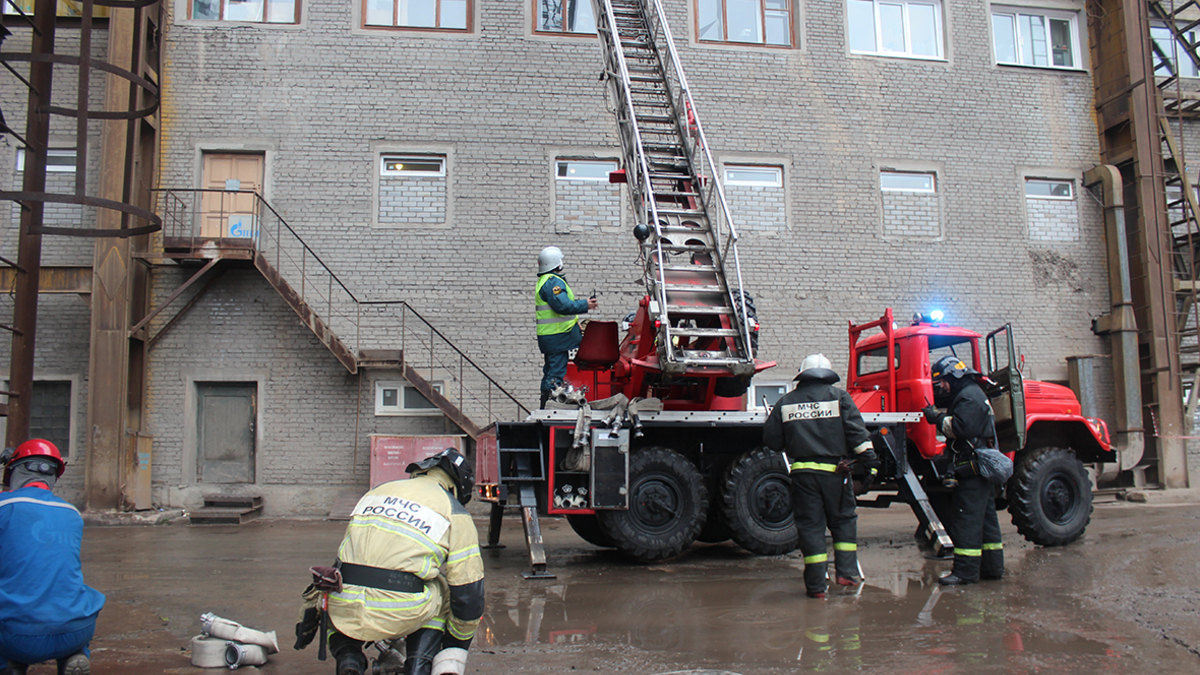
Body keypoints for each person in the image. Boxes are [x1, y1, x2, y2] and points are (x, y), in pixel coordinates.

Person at [324, 448, 484, 675]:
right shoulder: (453, 510)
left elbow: (340, 561)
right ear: (457, 486)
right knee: (442, 590)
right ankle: (418, 665)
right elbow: (469, 592)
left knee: (331, 590)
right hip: (401, 607)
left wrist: (311, 610)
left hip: (344, 604)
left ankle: (349, 658)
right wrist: (456, 646)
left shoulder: (377, 492)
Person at [764, 354, 880, 599]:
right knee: (843, 521)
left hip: (803, 475)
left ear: (802, 373)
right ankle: (847, 573)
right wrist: (870, 465)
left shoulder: (786, 401)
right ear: (828, 374)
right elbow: (858, 436)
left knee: (811, 527)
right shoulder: (840, 398)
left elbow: (773, 442)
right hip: (836, 475)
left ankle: (816, 587)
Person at [0, 439, 105, 675]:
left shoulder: (4, 506)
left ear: (15, 471)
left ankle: (10, 665)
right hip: (78, 630)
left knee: (18, 599)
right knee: (68, 587)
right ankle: (74, 655)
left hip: (20, 636)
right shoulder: (72, 513)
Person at [922, 355, 1004, 586]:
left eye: (944, 381)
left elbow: (960, 428)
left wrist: (936, 417)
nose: (944, 386)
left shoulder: (968, 397)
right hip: (981, 467)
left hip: (972, 468)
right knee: (987, 520)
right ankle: (992, 568)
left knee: (966, 520)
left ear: (954, 376)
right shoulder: (975, 393)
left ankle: (965, 573)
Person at [535, 245, 598, 408]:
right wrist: (585, 304)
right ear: (556, 263)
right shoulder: (553, 282)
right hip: (557, 337)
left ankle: (545, 403)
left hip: (551, 337)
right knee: (555, 373)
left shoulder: (544, 281)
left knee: (550, 371)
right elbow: (562, 306)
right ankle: (552, 403)